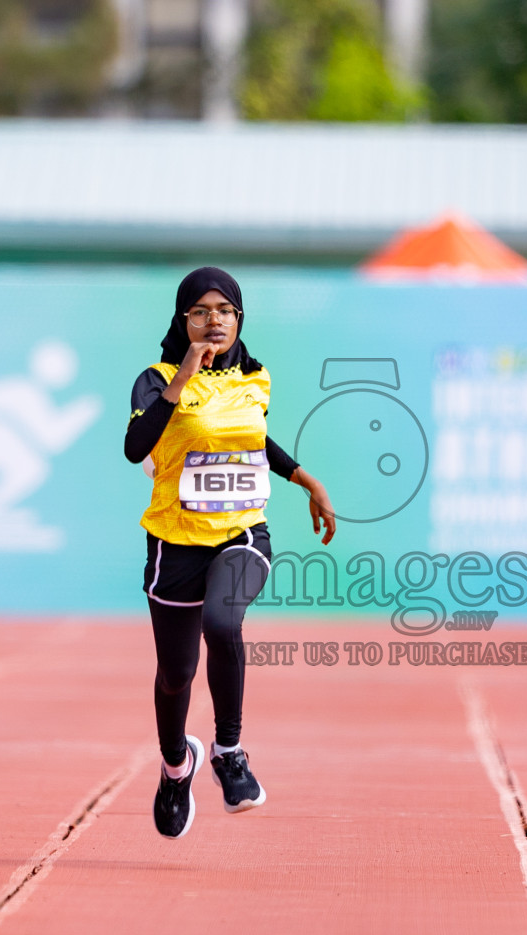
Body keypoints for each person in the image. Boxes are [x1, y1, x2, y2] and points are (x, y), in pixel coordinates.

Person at [125, 267, 337, 840]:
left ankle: (229, 751)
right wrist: (182, 380)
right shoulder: (156, 379)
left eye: (225, 310)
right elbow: (135, 447)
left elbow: (251, 443)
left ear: (239, 319)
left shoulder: (256, 378)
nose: (213, 320)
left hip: (242, 533)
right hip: (174, 542)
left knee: (223, 623)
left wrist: (304, 478)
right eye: (200, 311)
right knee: (175, 675)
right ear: (182, 320)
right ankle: (177, 766)